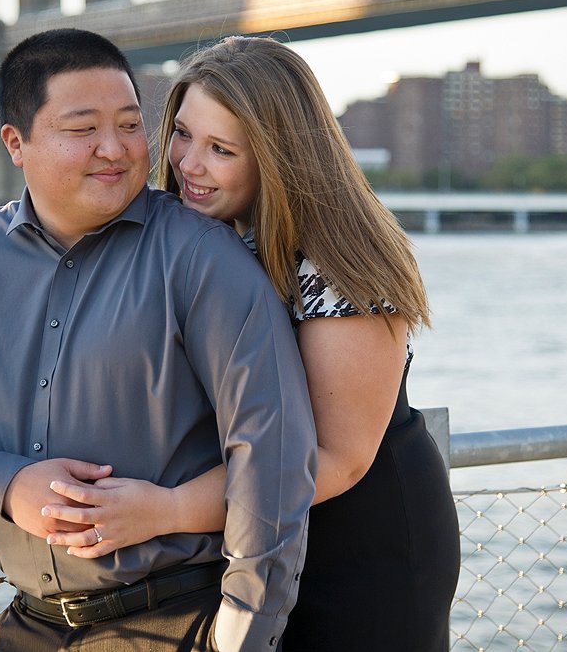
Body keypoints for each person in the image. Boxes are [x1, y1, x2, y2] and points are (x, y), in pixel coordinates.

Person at [0, 29, 318, 652]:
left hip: (177, 617)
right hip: (29, 621)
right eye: (83, 129)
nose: (114, 150)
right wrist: (8, 485)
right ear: (16, 143)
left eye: (131, 125)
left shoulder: (201, 256)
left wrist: (242, 637)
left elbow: (270, 457)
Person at [39, 36, 461, 651]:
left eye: (221, 149)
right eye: (182, 134)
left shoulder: (336, 263)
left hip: (359, 544)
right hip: (243, 548)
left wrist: (165, 509)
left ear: (279, 158)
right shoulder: (207, 242)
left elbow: (333, 459)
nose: (188, 163)